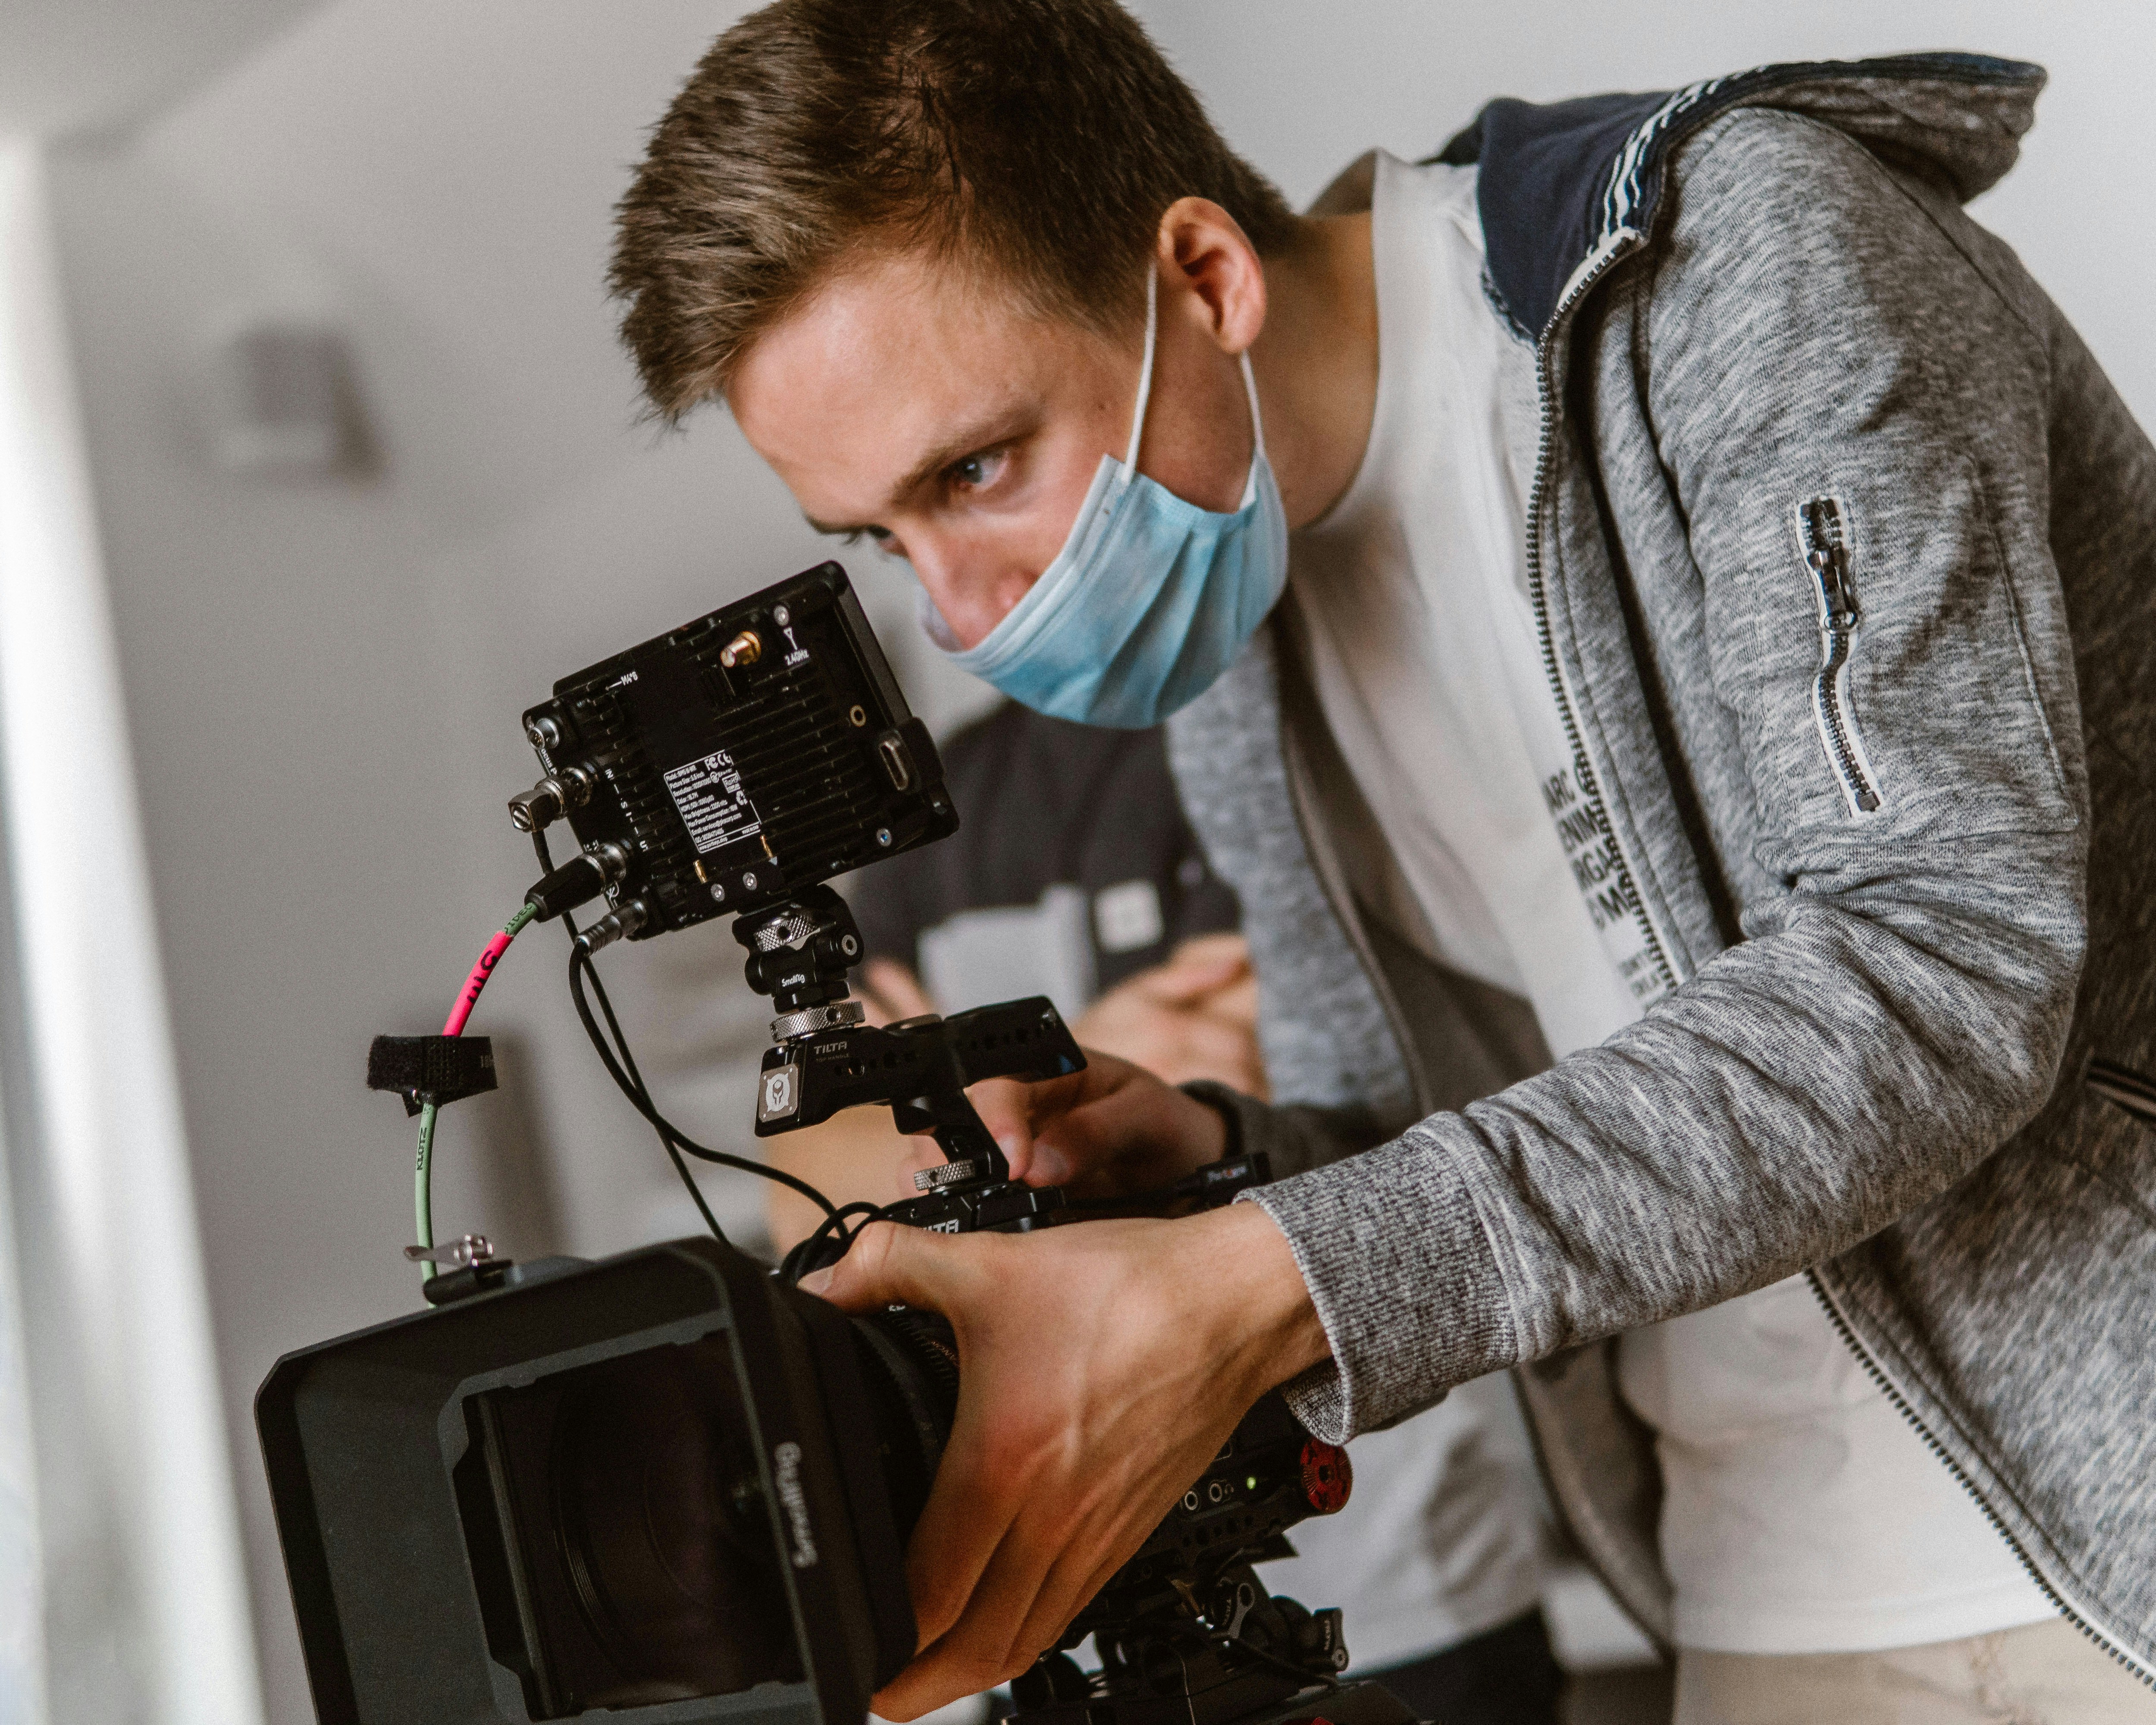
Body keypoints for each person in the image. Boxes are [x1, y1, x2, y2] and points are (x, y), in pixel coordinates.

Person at [609, 7, 2156, 1722]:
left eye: (974, 470)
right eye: (882, 537)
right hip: (1763, 1578)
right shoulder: (1233, 633)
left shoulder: (1736, 258)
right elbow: (1409, 1148)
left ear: (1200, 276)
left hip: (2115, 1522)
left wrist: (1265, 1277)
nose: (961, 618)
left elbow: (1935, 955)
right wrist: (1219, 1158)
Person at [762, 698, 1565, 1725]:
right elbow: (809, 1192)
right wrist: (1090, 1047)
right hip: (1067, 1609)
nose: (949, 598)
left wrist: (965, 1109)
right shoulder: (926, 808)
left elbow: (1293, 1089)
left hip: (1408, 1580)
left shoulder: (1265, 739)